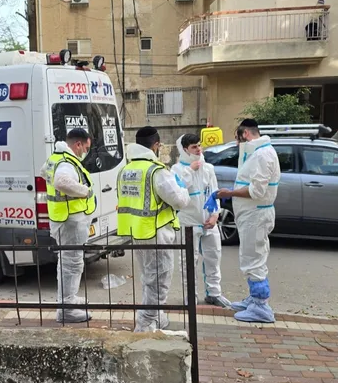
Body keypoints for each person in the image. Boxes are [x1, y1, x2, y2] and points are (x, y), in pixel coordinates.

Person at [117, 126, 190, 332]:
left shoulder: (125, 170)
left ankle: (156, 315)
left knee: (149, 277)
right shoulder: (156, 171)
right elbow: (179, 200)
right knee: (159, 280)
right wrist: (183, 189)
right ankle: (146, 322)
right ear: (156, 145)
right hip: (157, 233)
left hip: (137, 232)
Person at [215, 119, 280, 323]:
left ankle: (261, 307)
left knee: (254, 260)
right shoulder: (258, 153)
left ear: (245, 134)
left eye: (237, 138)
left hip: (256, 215)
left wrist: (229, 193)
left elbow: (257, 191)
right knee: (252, 257)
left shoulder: (262, 155)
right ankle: (255, 298)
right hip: (252, 215)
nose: (236, 143)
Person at [40, 128, 96, 323]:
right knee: (72, 264)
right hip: (70, 221)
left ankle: (68, 299)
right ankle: (67, 309)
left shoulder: (55, 158)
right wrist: (85, 191)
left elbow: (44, 173)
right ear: (78, 144)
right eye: (85, 148)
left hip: (62, 219)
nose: (85, 152)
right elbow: (61, 182)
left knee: (67, 263)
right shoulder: (66, 163)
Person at [170, 133, 232, 308]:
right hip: (188, 221)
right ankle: (190, 296)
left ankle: (214, 293)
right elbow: (177, 191)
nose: (198, 149)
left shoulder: (208, 168)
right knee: (188, 260)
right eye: (194, 147)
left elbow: (214, 193)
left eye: (199, 145)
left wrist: (215, 215)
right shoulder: (176, 170)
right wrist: (190, 170)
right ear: (185, 150)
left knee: (213, 257)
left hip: (208, 221)